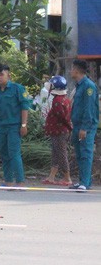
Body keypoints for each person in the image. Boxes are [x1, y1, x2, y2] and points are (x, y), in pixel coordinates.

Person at [0, 64, 31, 187]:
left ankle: (20, 181)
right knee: (4, 153)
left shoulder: (18, 89)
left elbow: (24, 107)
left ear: (9, 75)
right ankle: (8, 180)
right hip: (2, 126)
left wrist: (23, 125)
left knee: (14, 153)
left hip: (14, 126)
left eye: (1, 74)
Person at [68, 60, 99, 191]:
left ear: (76, 70)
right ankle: (84, 180)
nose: (70, 71)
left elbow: (89, 108)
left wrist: (84, 128)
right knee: (80, 154)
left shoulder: (88, 86)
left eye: (72, 68)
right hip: (77, 125)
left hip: (85, 126)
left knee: (86, 153)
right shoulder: (79, 86)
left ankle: (85, 183)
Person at [43, 75, 73, 186]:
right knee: (55, 154)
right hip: (60, 131)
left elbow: (63, 117)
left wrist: (69, 127)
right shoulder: (65, 99)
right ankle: (51, 177)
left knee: (61, 154)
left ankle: (67, 177)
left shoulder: (57, 101)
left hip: (59, 132)